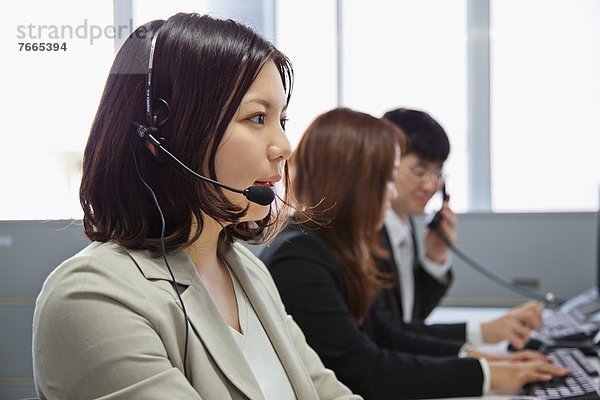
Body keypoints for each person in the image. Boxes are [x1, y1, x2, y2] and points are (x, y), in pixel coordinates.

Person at [32, 13, 360, 400]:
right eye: (257, 117)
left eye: (281, 120)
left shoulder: (246, 271)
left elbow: (328, 392)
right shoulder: (92, 297)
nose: (284, 146)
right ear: (161, 136)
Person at [260, 107, 568, 400]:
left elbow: (387, 335)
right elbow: (364, 369)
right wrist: (489, 373)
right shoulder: (299, 256)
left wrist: (486, 363)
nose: (391, 192)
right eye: (387, 179)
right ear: (352, 182)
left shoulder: (338, 246)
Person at [379, 108, 542, 349]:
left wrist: (435, 258)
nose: (430, 184)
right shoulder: (369, 233)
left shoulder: (406, 224)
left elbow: (412, 320)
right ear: (385, 165)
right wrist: (482, 340)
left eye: (437, 173)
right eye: (419, 171)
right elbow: (387, 337)